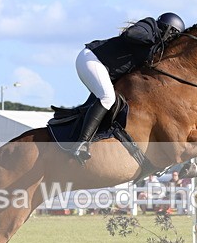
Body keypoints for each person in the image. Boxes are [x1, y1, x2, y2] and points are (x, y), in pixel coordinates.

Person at [71, 12, 185, 161]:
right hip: (92, 59)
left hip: (105, 69)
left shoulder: (157, 48)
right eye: (172, 36)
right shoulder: (149, 25)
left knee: (112, 102)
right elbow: (131, 34)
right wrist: (155, 40)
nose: (171, 41)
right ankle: (81, 144)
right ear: (168, 30)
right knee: (107, 98)